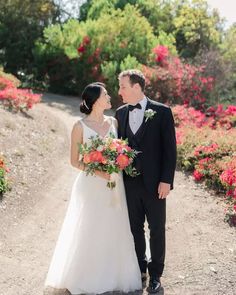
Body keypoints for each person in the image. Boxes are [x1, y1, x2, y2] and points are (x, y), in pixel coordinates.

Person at [44, 82, 141, 294]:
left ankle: (114, 274)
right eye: (105, 95)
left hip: (114, 184)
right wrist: (99, 172)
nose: (109, 97)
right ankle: (86, 276)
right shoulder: (79, 126)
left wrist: (118, 162)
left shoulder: (114, 122)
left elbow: (121, 151)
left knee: (115, 225)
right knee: (90, 227)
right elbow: (74, 161)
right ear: (96, 100)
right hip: (90, 185)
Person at [115, 69, 177, 293]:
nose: (119, 91)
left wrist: (166, 180)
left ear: (136, 87)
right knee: (134, 228)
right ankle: (139, 268)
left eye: (122, 86)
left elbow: (170, 150)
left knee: (157, 229)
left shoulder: (162, 112)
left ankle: (156, 275)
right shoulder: (120, 113)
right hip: (129, 183)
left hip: (155, 184)